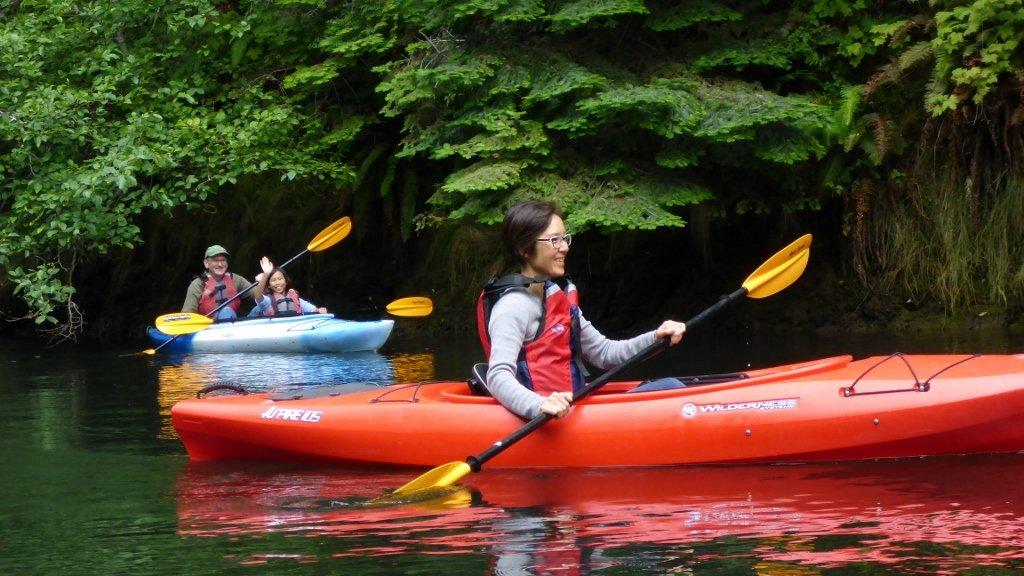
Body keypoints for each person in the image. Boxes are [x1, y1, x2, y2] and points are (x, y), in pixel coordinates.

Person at [478, 200, 686, 420]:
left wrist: (655, 338)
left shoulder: (555, 296)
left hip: (572, 407)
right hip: (548, 417)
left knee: (669, 387)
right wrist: (539, 405)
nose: (565, 247)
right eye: (554, 240)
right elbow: (498, 376)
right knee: (672, 388)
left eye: (564, 239)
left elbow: (605, 353)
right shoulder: (513, 306)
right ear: (524, 250)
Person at [181, 245, 254, 321]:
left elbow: (260, 298)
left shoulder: (236, 280)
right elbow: (188, 315)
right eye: (215, 260)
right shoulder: (198, 284)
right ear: (206, 263)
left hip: (233, 324)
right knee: (226, 312)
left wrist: (264, 277)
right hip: (208, 328)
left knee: (262, 307)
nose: (220, 264)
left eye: (223, 260)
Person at [248, 256, 327, 317]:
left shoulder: (295, 298)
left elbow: (314, 310)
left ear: (285, 281)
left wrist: (320, 310)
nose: (278, 282)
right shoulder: (268, 301)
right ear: (268, 285)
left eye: (280, 279)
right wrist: (266, 274)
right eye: (273, 280)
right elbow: (258, 296)